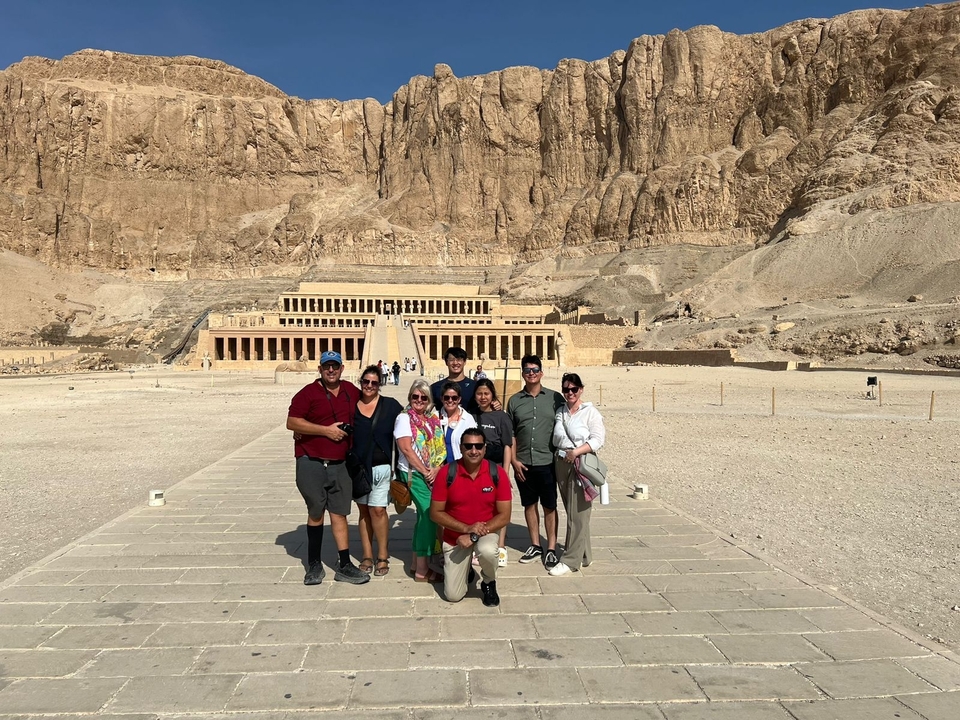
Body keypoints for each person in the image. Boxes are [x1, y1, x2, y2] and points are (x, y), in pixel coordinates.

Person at [286, 350, 369, 585]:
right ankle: (313, 564)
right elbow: (292, 422)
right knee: (315, 512)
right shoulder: (308, 393)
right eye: (326, 367)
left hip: (341, 462)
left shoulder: (351, 392)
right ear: (320, 369)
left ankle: (344, 564)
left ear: (342, 369)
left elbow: (371, 404)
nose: (330, 370)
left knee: (340, 513)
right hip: (311, 460)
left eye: (335, 366)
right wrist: (326, 430)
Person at [430, 428, 512, 606]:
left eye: (478, 446)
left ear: (485, 449)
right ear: (460, 448)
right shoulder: (446, 473)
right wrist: (466, 529)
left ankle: (489, 582)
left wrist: (473, 535)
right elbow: (435, 513)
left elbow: (505, 516)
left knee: (488, 550)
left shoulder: (497, 473)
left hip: (485, 531)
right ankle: (466, 569)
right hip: (456, 537)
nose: (473, 450)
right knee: (453, 595)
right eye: (468, 446)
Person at [507, 354, 564, 571]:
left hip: (547, 461)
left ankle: (551, 547)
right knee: (529, 504)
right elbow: (511, 434)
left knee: (550, 505)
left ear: (541, 372)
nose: (531, 373)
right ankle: (535, 544)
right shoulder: (514, 401)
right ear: (522, 373)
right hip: (523, 462)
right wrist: (513, 460)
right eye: (527, 370)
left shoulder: (555, 398)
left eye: (535, 369)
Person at [550, 372, 605, 576]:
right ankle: (585, 555)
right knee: (575, 511)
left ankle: (570, 560)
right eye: (566, 389)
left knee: (577, 514)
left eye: (574, 389)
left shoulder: (590, 412)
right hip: (561, 462)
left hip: (580, 462)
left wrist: (576, 452)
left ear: (581, 389)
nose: (570, 392)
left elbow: (598, 439)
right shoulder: (561, 411)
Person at [394, 379, 447, 582]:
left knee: (422, 519)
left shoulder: (430, 419)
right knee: (430, 515)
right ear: (409, 397)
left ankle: (417, 562)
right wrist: (426, 472)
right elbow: (407, 449)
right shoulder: (404, 419)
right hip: (413, 475)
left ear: (428, 400)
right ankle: (422, 571)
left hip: (431, 473)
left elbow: (440, 448)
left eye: (423, 397)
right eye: (415, 396)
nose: (419, 400)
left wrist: (436, 468)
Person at [353, 365, 403, 577]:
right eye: (366, 381)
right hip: (358, 468)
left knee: (378, 510)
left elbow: (411, 417)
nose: (370, 386)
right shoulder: (351, 405)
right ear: (360, 382)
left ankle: (382, 555)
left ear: (380, 384)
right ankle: (366, 555)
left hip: (382, 468)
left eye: (374, 382)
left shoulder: (390, 406)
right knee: (364, 511)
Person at [473, 378, 514, 567]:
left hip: (496, 466)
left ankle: (501, 546)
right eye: (479, 393)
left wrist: (505, 473)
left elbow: (507, 445)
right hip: (476, 468)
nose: (483, 397)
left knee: (500, 508)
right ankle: (479, 545)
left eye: (486, 393)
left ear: (492, 396)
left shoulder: (501, 416)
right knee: (480, 506)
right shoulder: (471, 415)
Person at [439, 381, 478, 464]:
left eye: (454, 398)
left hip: (461, 467)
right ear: (441, 398)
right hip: (440, 469)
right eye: (446, 397)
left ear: (459, 399)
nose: (450, 400)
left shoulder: (468, 419)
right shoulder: (434, 418)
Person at [431, 346, 478, 413]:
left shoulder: (475, 386)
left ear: (464, 362)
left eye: (459, 359)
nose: (455, 363)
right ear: (446, 362)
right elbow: (425, 409)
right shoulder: (436, 387)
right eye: (451, 360)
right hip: (444, 422)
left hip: (470, 422)